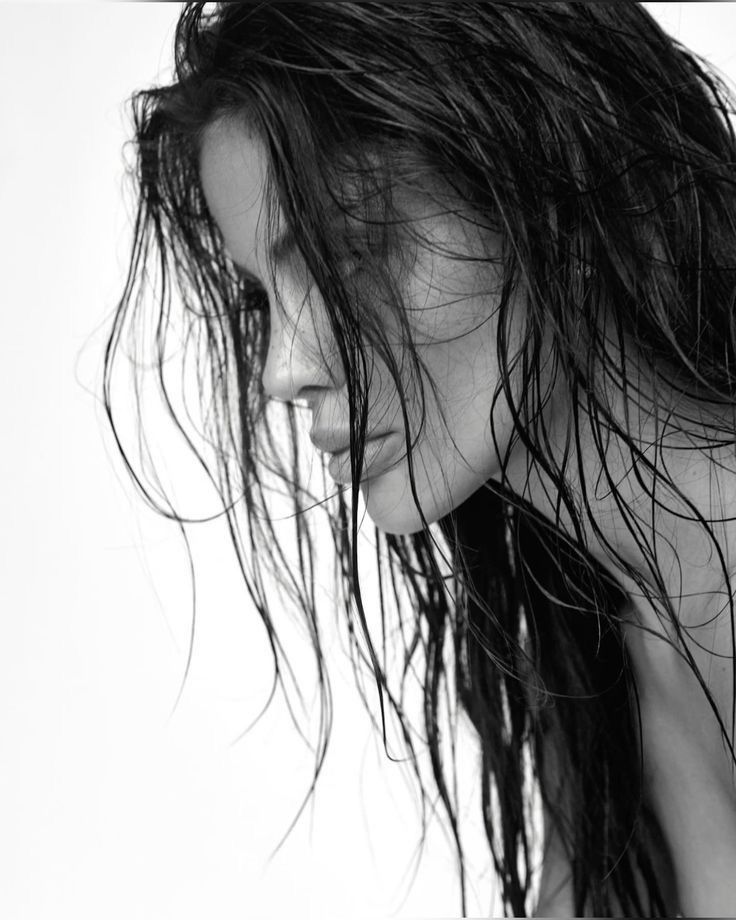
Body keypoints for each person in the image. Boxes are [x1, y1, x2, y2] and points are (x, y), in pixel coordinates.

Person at [104, 2, 736, 915]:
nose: (284, 369)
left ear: (549, 182)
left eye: (347, 252)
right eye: (262, 301)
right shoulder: (601, 642)